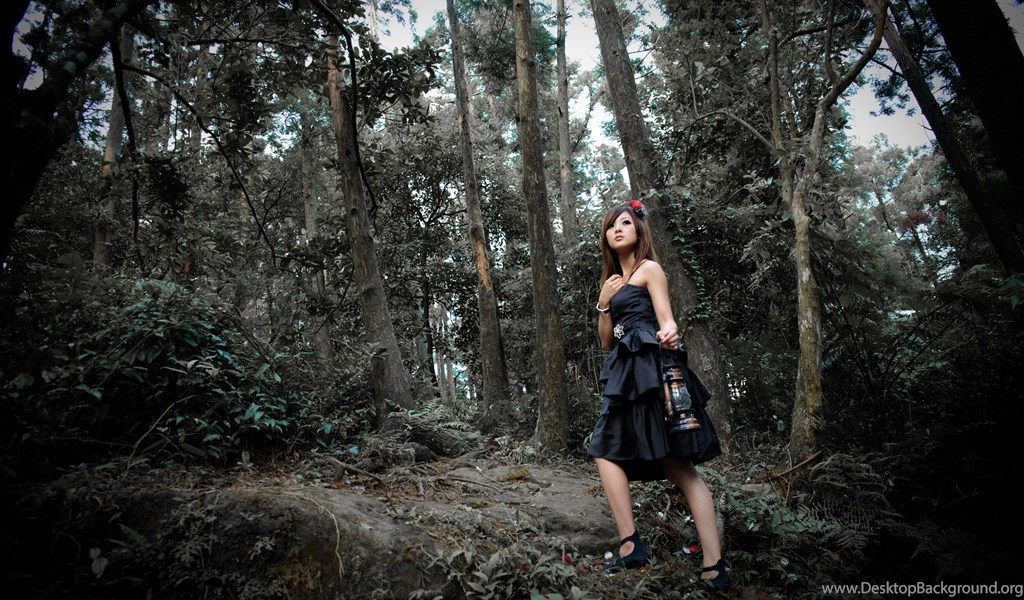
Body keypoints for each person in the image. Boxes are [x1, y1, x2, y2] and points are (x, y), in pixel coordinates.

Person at [588, 200, 730, 590]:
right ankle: (630, 544)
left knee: (679, 467)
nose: (617, 229)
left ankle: (714, 563)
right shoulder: (612, 281)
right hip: (625, 375)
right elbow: (606, 342)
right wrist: (603, 303)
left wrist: (669, 332)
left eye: (625, 223)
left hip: (654, 370)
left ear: (638, 230)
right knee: (604, 449)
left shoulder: (649, 269)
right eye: (611, 226)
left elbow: (666, 319)